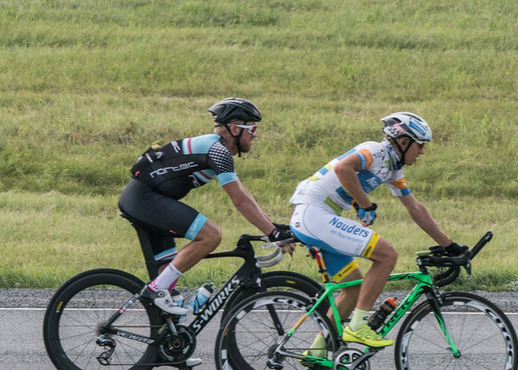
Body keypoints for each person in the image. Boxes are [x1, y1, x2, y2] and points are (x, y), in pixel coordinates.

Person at [284, 110, 460, 351]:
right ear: (403, 141)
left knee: (354, 287)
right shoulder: (376, 152)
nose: (422, 151)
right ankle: (358, 326)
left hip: (317, 217)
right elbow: (344, 168)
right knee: (387, 255)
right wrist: (365, 204)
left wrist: (449, 244)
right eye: (419, 145)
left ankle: (316, 352)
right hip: (315, 215)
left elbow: (415, 207)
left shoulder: (392, 168)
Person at [123, 98, 289, 318]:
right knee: (210, 235)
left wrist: (272, 227)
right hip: (144, 199)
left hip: (146, 199)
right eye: (253, 128)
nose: (255, 135)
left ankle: (171, 345)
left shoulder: (217, 149)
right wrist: (272, 233)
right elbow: (239, 200)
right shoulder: (217, 150)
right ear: (235, 128)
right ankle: (155, 291)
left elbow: (245, 196)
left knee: (172, 294)